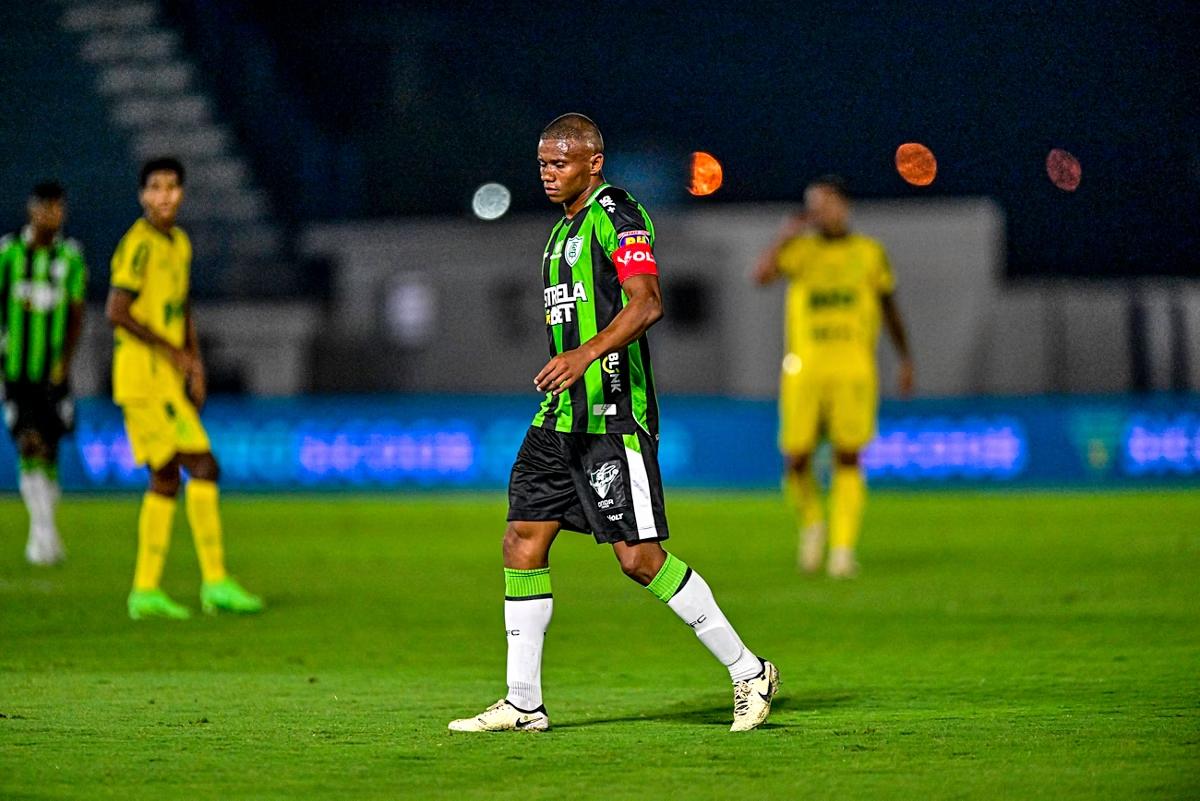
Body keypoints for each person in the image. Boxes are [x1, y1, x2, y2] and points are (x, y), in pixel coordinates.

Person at [449, 114, 778, 734]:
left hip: (611, 416)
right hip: (558, 420)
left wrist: (584, 354)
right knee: (522, 538)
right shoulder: (558, 232)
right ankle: (523, 702)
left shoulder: (617, 213)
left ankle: (747, 671)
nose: (548, 175)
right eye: (543, 164)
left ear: (593, 162)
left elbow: (648, 303)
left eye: (561, 163)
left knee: (639, 559)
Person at [106, 157, 262, 620]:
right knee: (203, 465)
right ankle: (213, 581)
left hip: (166, 379)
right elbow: (117, 309)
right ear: (142, 195)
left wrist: (193, 361)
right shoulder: (138, 245)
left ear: (182, 193)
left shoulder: (179, 244)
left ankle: (147, 591)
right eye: (155, 187)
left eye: (173, 187)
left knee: (168, 477)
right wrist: (171, 352)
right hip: (141, 378)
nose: (165, 196)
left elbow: (182, 305)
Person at [754, 175, 913, 578]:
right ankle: (812, 523)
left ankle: (842, 550)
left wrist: (905, 360)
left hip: (853, 369)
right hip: (805, 368)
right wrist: (785, 235)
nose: (818, 212)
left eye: (824, 203)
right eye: (812, 205)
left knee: (848, 455)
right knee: (796, 458)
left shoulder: (870, 253)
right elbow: (760, 276)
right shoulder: (801, 251)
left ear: (844, 205)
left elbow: (889, 307)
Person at [0, 182, 86, 565]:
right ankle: (42, 534)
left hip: (54, 374)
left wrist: (64, 363)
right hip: (16, 372)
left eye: (58, 208)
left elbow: (76, 314)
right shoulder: (8, 254)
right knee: (28, 444)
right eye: (46, 207)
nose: (52, 214)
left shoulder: (70, 257)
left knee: (50, 450)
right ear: (32, 210)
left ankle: (47, 531)